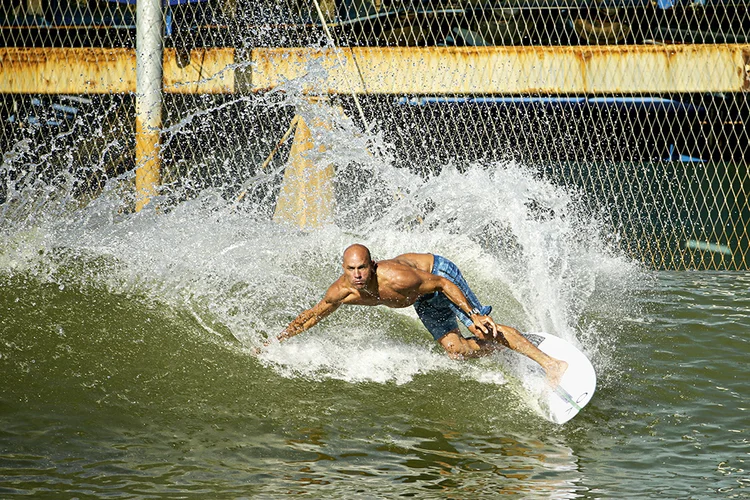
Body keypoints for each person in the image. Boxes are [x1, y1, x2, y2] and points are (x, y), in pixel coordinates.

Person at [273, 244, 567, 387]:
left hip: (438, 276)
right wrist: (280, 340)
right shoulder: (342, 292)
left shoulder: (397, 278)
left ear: (372, 265)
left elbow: (441, 284)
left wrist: (473, 315)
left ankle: (552, 364)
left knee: (479, 330)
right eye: (351, 270)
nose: (358, 275)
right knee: (457, 351)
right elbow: (312, 316)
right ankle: (514, 341)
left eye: (362, 267)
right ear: (343, 269)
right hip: (423, 298)